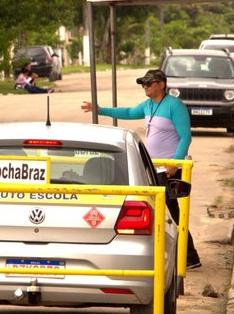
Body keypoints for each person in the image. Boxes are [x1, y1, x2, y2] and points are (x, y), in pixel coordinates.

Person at [80, 69, 201, 268]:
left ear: (161, 84)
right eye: (143, 84)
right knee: (161, 214)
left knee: (173, 214)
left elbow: (185, 137)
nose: (145, 86)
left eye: (149, 83)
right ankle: (174, 254)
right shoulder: (149, 105)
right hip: (155, 169)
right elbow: (128, 112)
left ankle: (189, 257)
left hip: (171, 169)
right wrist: (100, 110)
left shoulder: (174, 106)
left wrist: (174, 162)